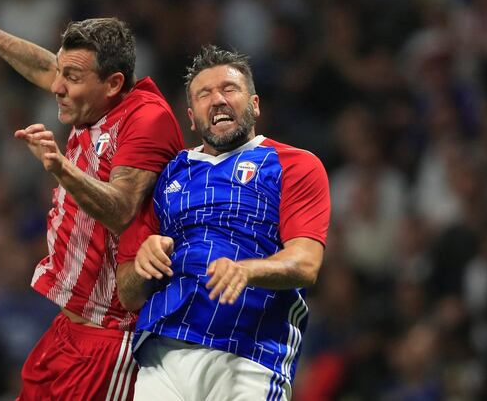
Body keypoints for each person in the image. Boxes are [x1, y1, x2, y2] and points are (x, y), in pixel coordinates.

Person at [0, 0, 184, 401]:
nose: (57, 86)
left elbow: (122, 209)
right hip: (68, 332)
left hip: (109, 339)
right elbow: (46, 68)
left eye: (71, 77)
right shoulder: (90, 99)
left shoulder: (146, 120)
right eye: (62, 72)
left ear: (113, 83)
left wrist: (61, 168)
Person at [116, 45, 330, 401]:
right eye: (204, 94)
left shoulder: (294, 164)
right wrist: (144, 261)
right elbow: (128, 292)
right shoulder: (167, 175)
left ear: (255, 104)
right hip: (162, 355)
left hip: (249, 353)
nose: (217, 100)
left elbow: (306, 263)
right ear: (191, 116)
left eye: (229, 89)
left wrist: (247, 271)